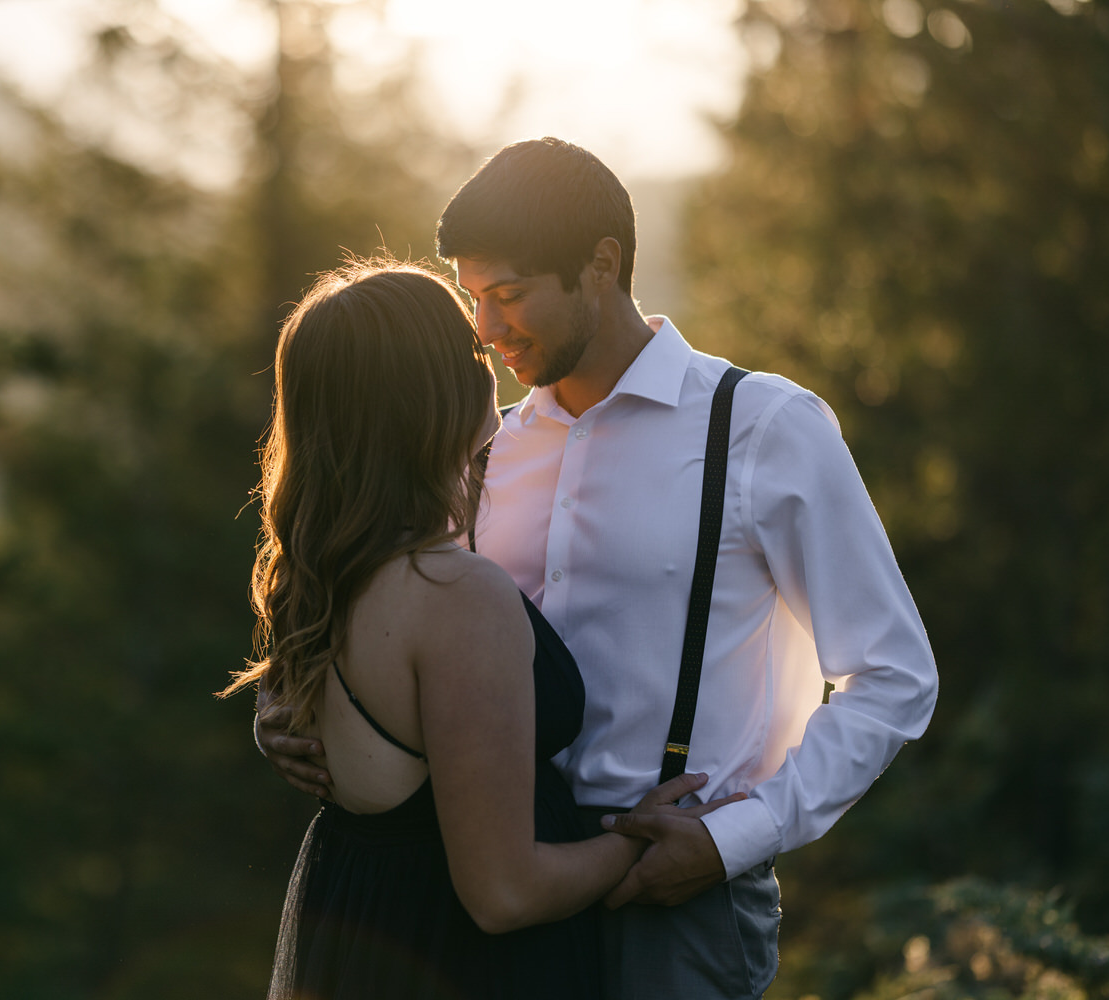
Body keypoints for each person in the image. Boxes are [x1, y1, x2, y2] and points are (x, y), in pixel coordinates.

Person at [259, 139, 939, 999]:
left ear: (600, 265)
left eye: (508, 295)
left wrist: (735, 839)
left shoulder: (762, 428)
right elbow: (384, 610)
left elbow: (894, 676)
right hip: (483, 891)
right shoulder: (478, 449)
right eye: (473, 299)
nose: (485, 330)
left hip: (677, 898)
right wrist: (290, 707)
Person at [228, 259, 739, 1000]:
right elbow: (504, 892)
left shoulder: (321, 579)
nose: (494, 358)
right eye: (471, 351)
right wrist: (638, 839)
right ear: (430, 395)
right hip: (465, 965)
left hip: (370, 941)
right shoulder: (456, 594)